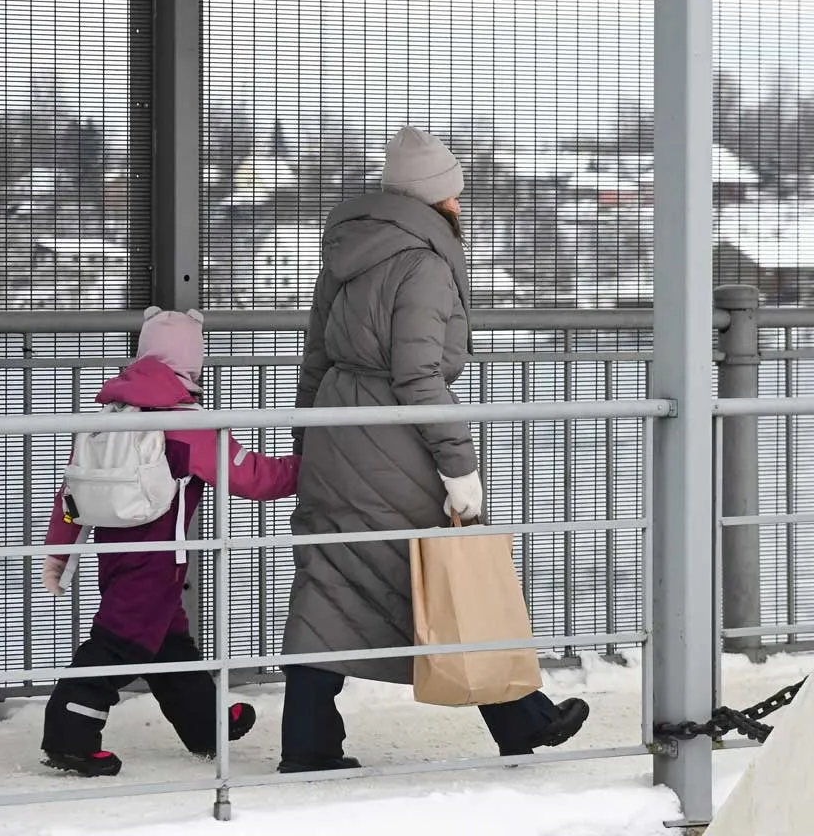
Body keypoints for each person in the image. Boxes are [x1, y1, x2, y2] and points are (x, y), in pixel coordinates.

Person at [280, 126, 589, 773]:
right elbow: (418, 376)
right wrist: (460, 466)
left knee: (330, 582)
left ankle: (308, 743)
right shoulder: (424, 261)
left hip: (338, 435)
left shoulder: (345, 250)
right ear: (441, 198)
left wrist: (308, 443)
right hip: (393, 442)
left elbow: (314, 359)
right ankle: (521, 718)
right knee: (448, 567)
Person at [39, 307, 302, 777]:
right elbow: (255, 478)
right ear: (192, 362)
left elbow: (71, 493)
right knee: (119, 644)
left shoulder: (110, 417)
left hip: (115, 557)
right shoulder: (187, 423)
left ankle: (205, 725)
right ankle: (69, 736)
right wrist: (313, 465)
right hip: (158, 562)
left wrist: (59, 553)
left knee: (167, 642)